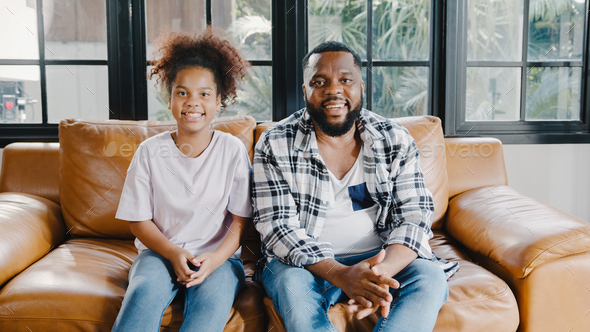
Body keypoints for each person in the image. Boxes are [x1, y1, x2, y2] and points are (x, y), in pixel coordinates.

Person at [252, 41, 459, 332]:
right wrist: (342, 275)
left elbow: (414, 217)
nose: (333, 90)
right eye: (319, 81)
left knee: (430, 279)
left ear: (361, 86)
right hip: (303, 264)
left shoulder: (394, 139)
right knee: (292, 289)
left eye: (345, 80)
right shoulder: (275, 143)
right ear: (305, 91)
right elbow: (277, 228)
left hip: (380, 255)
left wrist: (379, 274)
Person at [112, 29, 252, 332]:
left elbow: (239, 222)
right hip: (159, 254)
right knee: (142, 296)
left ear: (219, 101)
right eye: (182, 92)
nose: (193, 102)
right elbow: (139, 221)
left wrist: (214, 260)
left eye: (204, 94)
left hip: (219, 261)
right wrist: (173, 253)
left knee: (206, 318)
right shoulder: (149, 151)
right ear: (169, 98)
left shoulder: (232, 150)